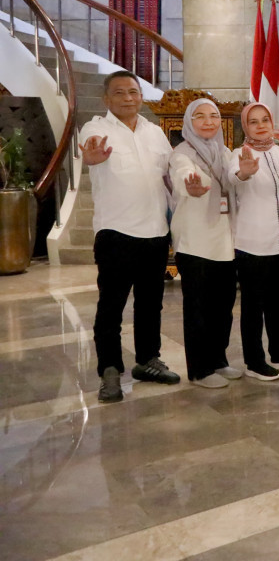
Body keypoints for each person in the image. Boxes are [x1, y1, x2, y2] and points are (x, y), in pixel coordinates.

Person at [81, 70, 179, 403]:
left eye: (133, 92)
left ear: (141, 96)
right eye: (119, 93)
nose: (127, 98)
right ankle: (109, 371)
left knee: (151, 304)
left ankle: (147, 360)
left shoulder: (155, 133)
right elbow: (89, 151)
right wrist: (91, 156)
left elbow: (170, 176)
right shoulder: (96, 128)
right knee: (111, 306)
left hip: (155, 232)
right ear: (106, 99)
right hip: (115, 233)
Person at [232, 103, 279, 381]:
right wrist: (244, 172)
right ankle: (254, 362)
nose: (261, 125)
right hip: (252, 244)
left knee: (277, 305)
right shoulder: (238, 155)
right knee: (253, 307)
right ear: (245, 127)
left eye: (265, 119)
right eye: (253, 122)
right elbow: (234, 180)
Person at [169, 98, 241, 389]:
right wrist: (191, 183)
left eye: (213, 116)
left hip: (225, 240)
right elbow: (182, 173)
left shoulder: (225, 152)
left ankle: (218, 360)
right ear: (189, 122)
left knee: (223, 306)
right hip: (195, 242)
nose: (208, 121)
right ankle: (199, 370)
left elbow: (237, 175)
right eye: (200, 116)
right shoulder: (181, 153)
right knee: (198, 307)